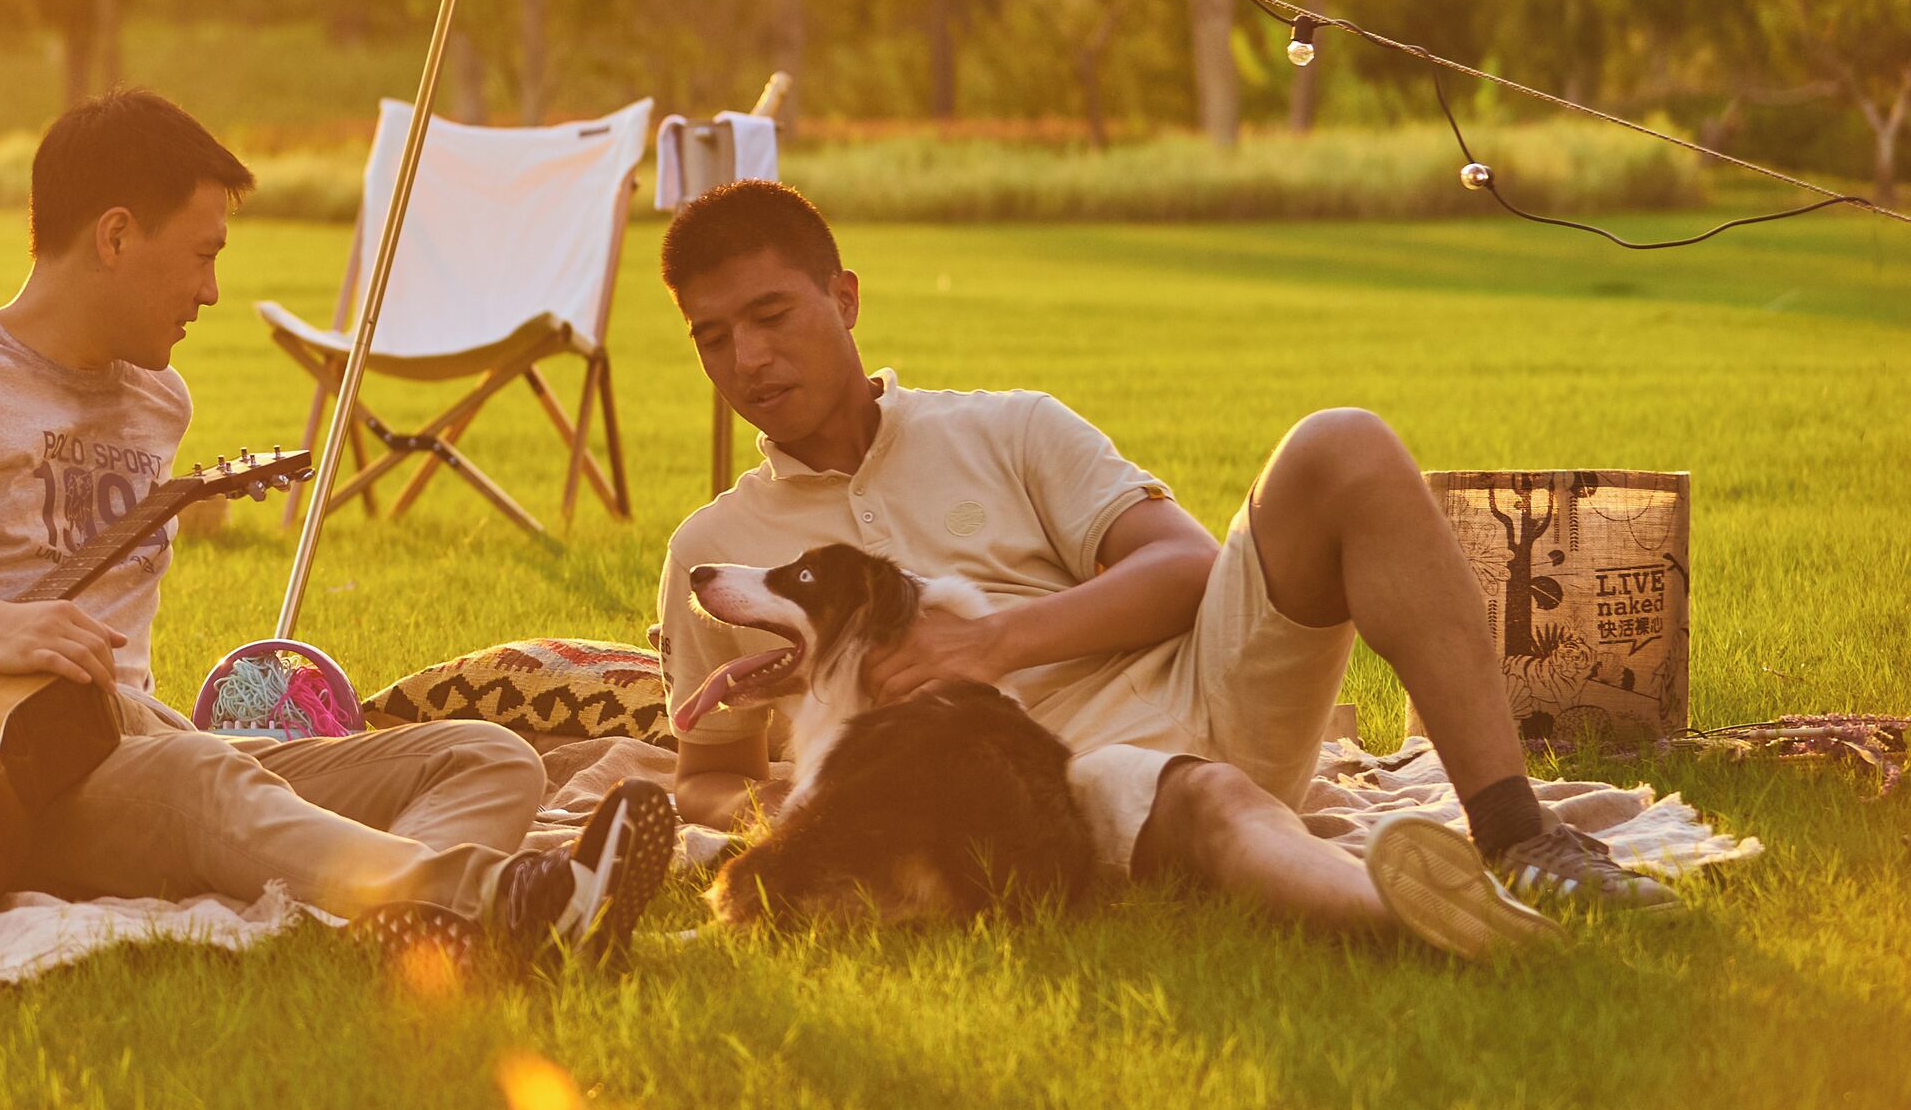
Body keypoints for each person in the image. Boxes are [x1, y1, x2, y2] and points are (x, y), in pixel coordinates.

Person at [651, 179, 1678, 956]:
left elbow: (1184, 567)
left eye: (772, 316)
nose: (747, 360)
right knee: (1209, 802)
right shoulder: (717, 553)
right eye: (713, 338)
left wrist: (994, 641)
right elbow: (708, 778)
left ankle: (1517, 835)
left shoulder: (1008, 428)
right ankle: (1434, 926)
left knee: (1341, 443)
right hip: (1034, 789)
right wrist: (820, 813)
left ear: (845, 297)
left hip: (1205, 684)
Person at [0, 88, 670, 966]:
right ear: (115, 237)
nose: (212, 291)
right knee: (201, 778)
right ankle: (508, 901)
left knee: (487, 757)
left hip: (136, 741)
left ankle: (405, 929)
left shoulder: (157, 399)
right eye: (201, 255)